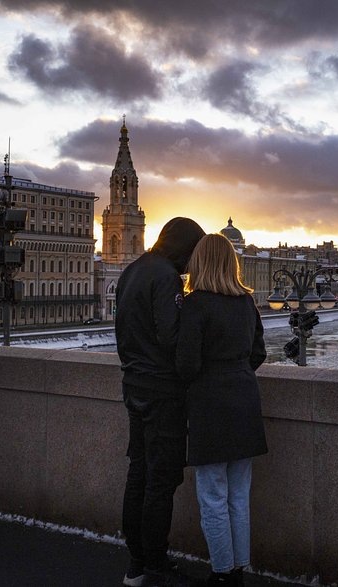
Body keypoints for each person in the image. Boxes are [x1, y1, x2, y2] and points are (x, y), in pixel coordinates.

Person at [115, 217, 205, 587]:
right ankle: (155, 561)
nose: (191, 264)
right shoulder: (166, 276)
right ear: (182, 248)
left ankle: (136, 561)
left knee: (138, 472)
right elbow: (171, 337)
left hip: (133, 385)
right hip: (162, 391)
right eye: (192, 253)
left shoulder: (131, 271)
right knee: (162, 478)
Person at [175, 234, 268, 586]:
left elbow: (186, 364)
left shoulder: (196, 304)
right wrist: (236, 372)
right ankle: (239, 569)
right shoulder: (246, 302)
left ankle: (221, 573)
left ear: (199, 263)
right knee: (239, 494)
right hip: (245, 400)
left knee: (213, 495)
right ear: (232, 263)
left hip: (210, 407)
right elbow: (258, 353)